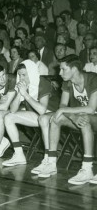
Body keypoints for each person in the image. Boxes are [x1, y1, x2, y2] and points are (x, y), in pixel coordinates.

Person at [37, 55, 97, 185]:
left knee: (84, 119)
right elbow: (63, 106)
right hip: (84, 118)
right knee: (56, 118)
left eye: (63, 69)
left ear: (74, 69)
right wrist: (72, 115)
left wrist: (67, 111)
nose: (59, 73)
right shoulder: (67, 82)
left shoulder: (93, 78)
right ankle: (51, 163)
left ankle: (87, 169)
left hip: (94, 117)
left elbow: (91, 108)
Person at [2, 60, 59, 167]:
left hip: (53, 115)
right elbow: (13, 109)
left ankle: (48, 157)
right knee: (9, 117)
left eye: (24, 75)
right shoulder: (24, 85)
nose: (21, 78)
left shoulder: (42, 82)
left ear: (32, 72)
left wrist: (26, 95)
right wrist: (20, 93)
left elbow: (42, 110)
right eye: (19, 75)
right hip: (38, 116)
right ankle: (19, 154)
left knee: (43, 118)